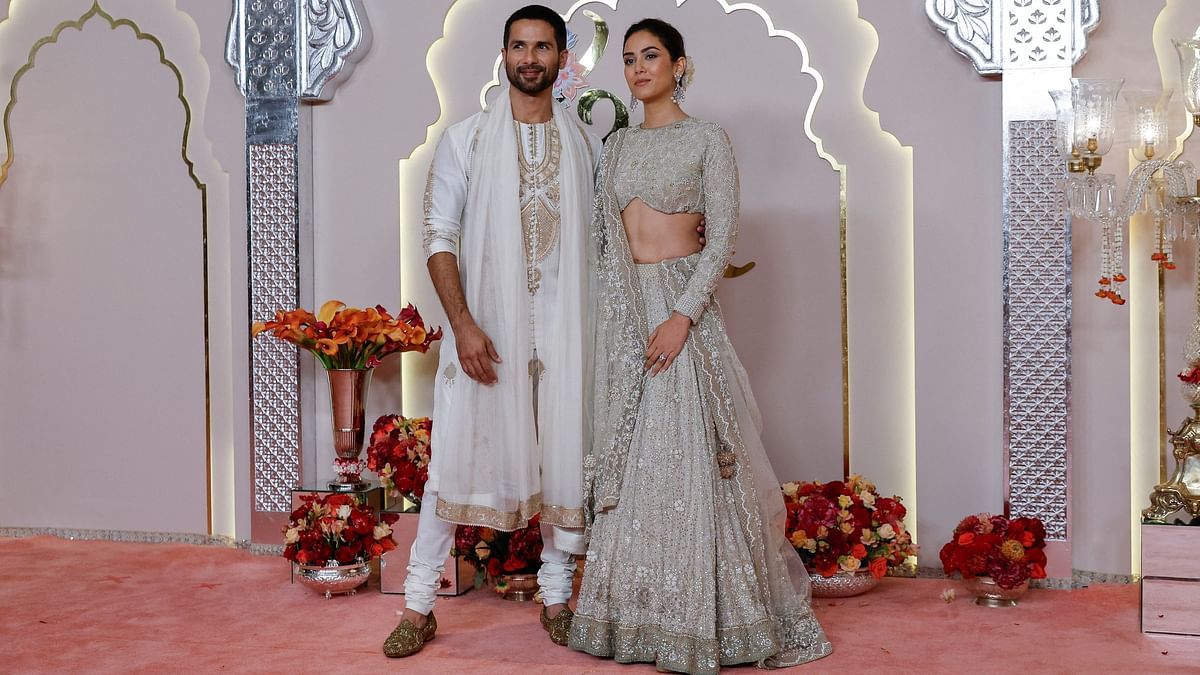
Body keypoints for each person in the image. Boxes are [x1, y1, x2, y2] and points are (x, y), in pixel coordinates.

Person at [568, 18, 834, 673]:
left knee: (688, 458)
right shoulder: (620, 147)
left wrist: (682, 315)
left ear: (680, 64)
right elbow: (607, 247)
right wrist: (618, 325)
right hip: (626, 315)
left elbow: (718, 242)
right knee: (634, 467)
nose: (636, 68)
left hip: (680, 316)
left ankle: (705, 619)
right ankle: (636, 615)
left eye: (650, 55)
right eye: (628, 58)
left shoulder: (707, 139)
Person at [382, 5, 602, 658]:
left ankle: (556, 594)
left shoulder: (580, 144)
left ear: (562, 58)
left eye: (542, 47)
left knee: (564, 456)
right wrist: (464, 325)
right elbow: (438, 237)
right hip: (486, 337)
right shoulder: (466, 139)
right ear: (502, 55)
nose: (529, 58)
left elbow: (599, 244)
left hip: (564, 336)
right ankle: (419, 605)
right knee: (455, 461)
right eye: (518, 46)